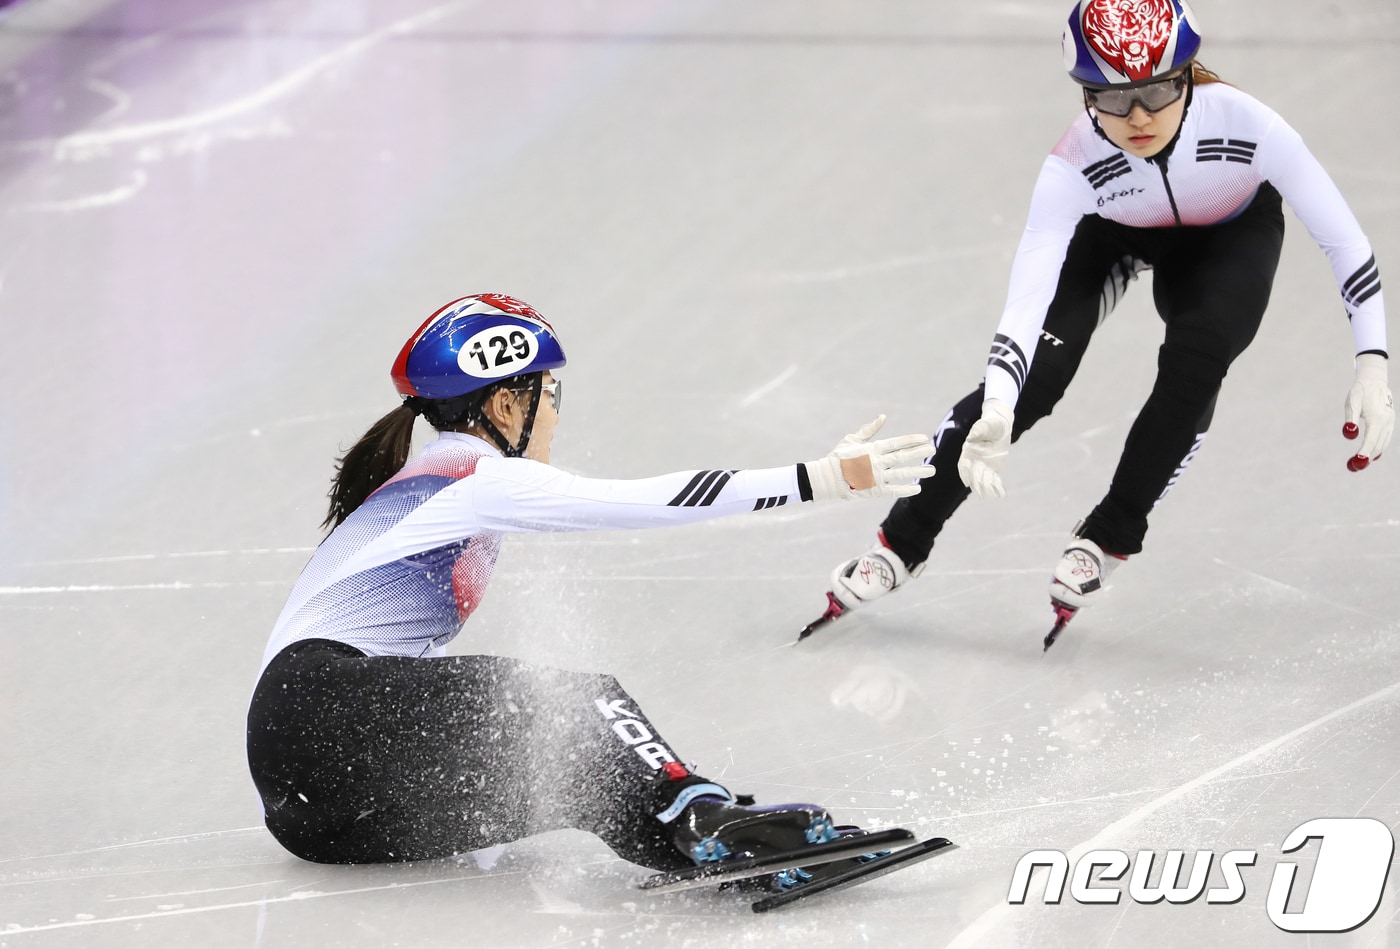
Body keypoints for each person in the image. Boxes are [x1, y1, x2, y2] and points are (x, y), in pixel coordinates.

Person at [246, 292, 936, 871]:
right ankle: (702, 815)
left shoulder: (434, 484)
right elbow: (650, 501)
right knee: (575, 702)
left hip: (309, 813)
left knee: (560, 777)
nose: (555, 413)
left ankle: (699, 847)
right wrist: (822, 478)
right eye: (551, 394)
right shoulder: (471, 474)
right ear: (506, 406)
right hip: (314, 704)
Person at [814, 0, 1393, 638]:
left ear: (1186, 73)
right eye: (1113, 99)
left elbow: (1344, 241)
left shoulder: (1251, 125)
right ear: (1086, 95)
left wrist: (1372, 359)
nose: (1138, 116)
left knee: (1199, 355)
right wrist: (1001, 400)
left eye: (1156, 91)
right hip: (1112, 235)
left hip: (1228, 237)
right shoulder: (1072, 163)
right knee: (1033, 377)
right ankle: (902, 541)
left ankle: (1110, 535)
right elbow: (1025, 303)